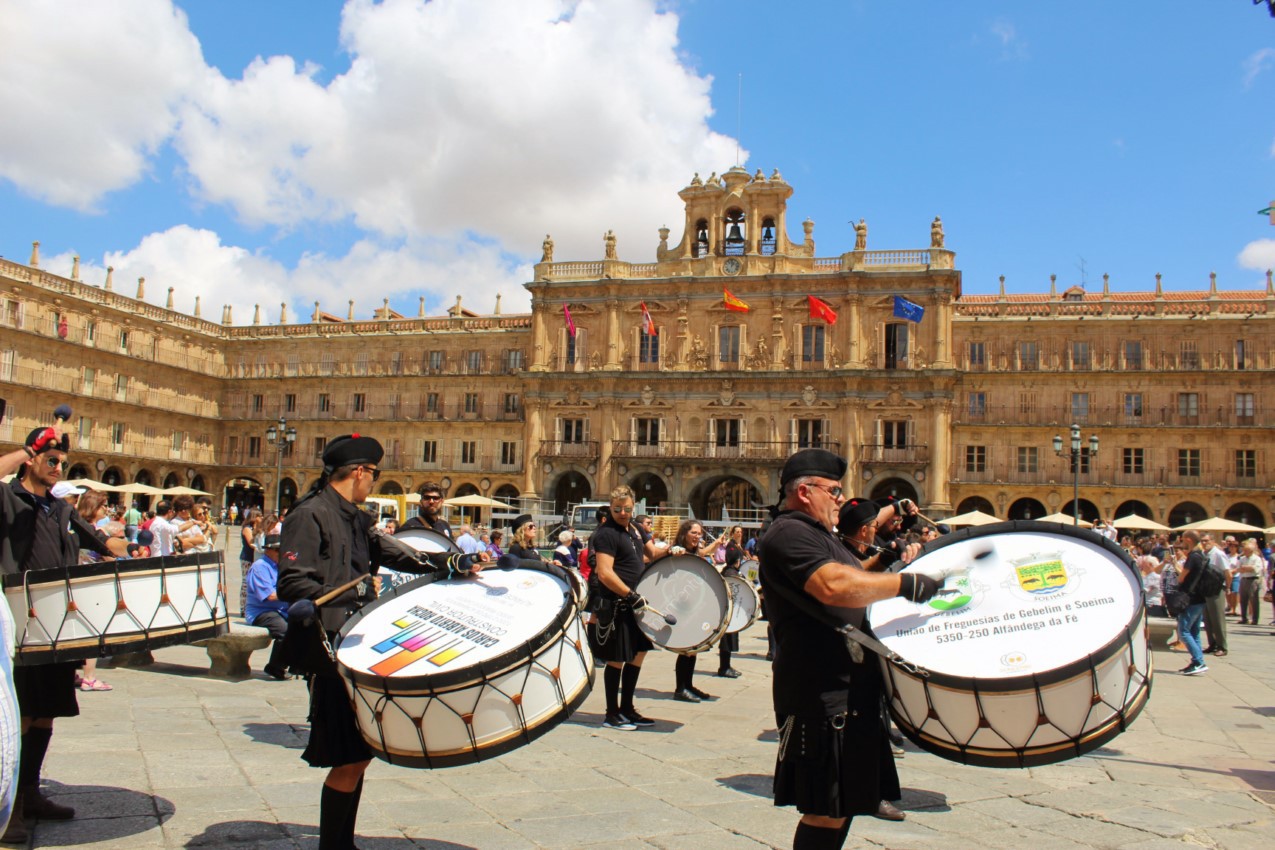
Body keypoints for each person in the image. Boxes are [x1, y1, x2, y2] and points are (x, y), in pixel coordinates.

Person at [277, 435, 486, 850]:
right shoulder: (309, 514)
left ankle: (343, 843)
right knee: (347, 753)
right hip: (330, 646)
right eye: (373, 474)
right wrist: (349, 591)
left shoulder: (354, 516)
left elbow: (390, 551)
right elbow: (292, 582)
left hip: (358, 638)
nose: (373, 482)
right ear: (358, 471)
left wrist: (448, 562)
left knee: (360, 752)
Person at [758, 448, 937, 849]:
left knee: (843, 804)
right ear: (805, 492)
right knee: (824, 808)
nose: (841, 498)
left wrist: (898, 560)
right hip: (819, 695)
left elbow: (854, 577)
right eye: (834, 490)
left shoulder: (822, 534)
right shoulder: (790, 532)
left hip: (846, 690)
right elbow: (833, 585)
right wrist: (906, 585)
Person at [0, 422, 126, 844]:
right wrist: (22, 450)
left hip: (59, 626)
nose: (57, 467)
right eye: (50, 459)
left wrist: (119, 553)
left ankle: (31, 793)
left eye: (62, 462)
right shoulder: (8, 497)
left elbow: (97, 542)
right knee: (21, 715)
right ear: (32, 459)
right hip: (22, 624)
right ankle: (10, 807)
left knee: (47, 712)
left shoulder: (60, 507)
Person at [586, 486, 664, 731]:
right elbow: (605, 572)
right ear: (610, 507)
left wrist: (674, 549)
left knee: (638, 654)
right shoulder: (605, 534)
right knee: (617, 658)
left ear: (634, 507)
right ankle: (612, 713)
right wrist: (630, 595)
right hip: (620, 603)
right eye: (617, 509)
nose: (622, 513)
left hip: (637, 604)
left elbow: (653, 554)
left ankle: (628, 708)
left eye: (627, 509)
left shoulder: (637, 529)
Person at [668, 519, 724, 703]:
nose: (698, 537)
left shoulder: (694, 551)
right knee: (686, 649)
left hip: (693, 604)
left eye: (699, 533)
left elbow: (703, 553)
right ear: (684, 534)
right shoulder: (678, 550)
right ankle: (680, 688)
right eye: (694, 533)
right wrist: (673, 551)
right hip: (681, 605)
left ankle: (688, 685)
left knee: (693, 649)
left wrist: (715, 545)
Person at [244, 534, 291, 680]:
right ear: (268, 551)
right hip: (261, 611)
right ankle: (275, 666)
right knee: (285, 630)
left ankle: (296, 663)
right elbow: (269, 596)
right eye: (277, 550)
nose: (281, 553)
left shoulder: (281, 566)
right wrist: (291, 592)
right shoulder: (259, 567)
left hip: (282, 610)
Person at [1174, 531, 1210, 675]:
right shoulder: (1202, 555)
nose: (1181, 542)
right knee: (1194, 632)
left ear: (1188, 539)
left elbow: (1181, 577)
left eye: (1182, 539)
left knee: (1183, 632)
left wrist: (1174, 564)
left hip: (1190, 598)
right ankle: (1197, 662)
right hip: (1200, 597)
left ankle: (1199, 661)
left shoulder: (1193, 556)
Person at [716, 525, 747, 678]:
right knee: (727, 637)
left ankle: (726, 665)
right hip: (728, 609)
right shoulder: (731, 571)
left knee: (729, 636)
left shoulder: (737, 548)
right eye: (737, 532)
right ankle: (724, 667)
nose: (740, 534)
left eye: (741, 532)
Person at [1200, 534, 1229, 656]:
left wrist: (1227, 587)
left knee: (1217, 618)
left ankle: (1222, 646)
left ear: (1212, 540)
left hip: (1217, 589)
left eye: (1206, 540)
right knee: (1208, 618)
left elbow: (1227, 572)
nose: (1204, 543)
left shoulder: (1218, 553)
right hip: (1207, 588)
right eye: (1202, 541)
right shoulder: (1204, 554)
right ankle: (1212, 644)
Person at [1236, 538, 1265, 626]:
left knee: (1254, 600)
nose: (1245, 551)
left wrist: (1246, 568)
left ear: (1252, 550)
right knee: (1243, 600)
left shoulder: (1257, 559)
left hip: (1253, 580)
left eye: (1247, 550)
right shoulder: (1242, 558)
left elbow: (1255, 569)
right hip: (1244, 579)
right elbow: (1239, 569)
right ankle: (1244, 618)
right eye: (1244, 550)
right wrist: (1247, 568)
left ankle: (1255, 619)